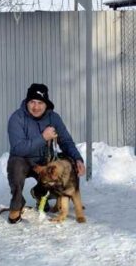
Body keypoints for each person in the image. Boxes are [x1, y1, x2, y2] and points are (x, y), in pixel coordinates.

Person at [6, 83, 85, 224]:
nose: (36, 107)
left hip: (45, 161)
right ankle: (17, 205)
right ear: (27, 102)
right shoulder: (17, 118)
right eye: (32, 102)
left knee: (58, 176)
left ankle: (40, 194)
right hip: (23, 160)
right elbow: (18, 148)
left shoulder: (53, 118)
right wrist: (43, 137)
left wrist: (78, 159)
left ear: (46, 104)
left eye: (40, 103)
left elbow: (66, 141)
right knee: (15, 167)